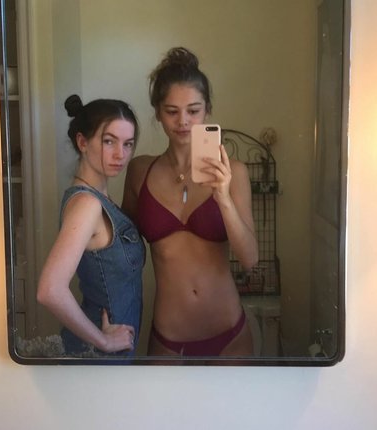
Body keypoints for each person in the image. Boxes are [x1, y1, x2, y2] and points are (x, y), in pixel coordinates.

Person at [122, 47, 258, 357]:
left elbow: (250, 259)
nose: (183, 121)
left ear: (207, 110)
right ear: (158, 112)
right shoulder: (140, 171)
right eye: (171, 111)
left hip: (230, 335)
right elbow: (124, 248)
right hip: (168, 338)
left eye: (193, 110)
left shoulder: (234, 173)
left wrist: (223, 197)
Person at [37, 95, 145, 356]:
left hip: (109, 353)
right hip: (98, 355)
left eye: (128, 144)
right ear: (82, 142)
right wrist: (104, 341)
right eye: (109, 141)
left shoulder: (97, 199)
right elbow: (50, 290)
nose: (120, 154)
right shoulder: (87, 204)